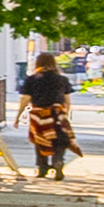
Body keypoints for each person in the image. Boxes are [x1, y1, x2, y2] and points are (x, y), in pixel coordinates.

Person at [19, 49, 77, 179]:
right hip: (57, 112)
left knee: (40, 140)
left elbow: (25, 99)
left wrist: (18, 116)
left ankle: (42, 167)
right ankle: (58, 161)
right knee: (60, 140)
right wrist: (66, 114)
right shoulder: (62, 79)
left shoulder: (32, 79)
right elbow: (67, 100)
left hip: (38, 113)